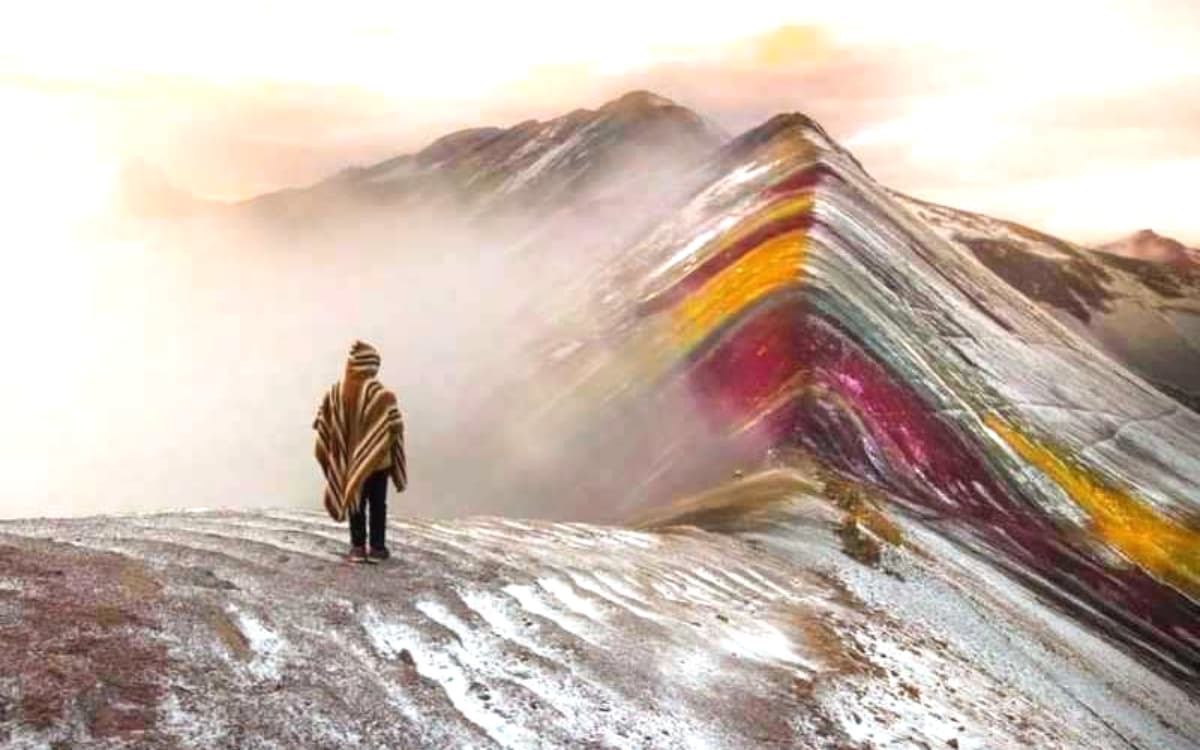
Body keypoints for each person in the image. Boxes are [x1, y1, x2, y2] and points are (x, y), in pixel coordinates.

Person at [313, 340, 407, 562]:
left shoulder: (334, 394)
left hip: (348, 460)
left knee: (356, 500)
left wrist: (341, 446)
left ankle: (357, 548)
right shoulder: (383, 396)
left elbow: (322, 425)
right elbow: (396, 428)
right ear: (371, 366)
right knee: (377, 504)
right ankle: (377, 548)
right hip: (379, 463)